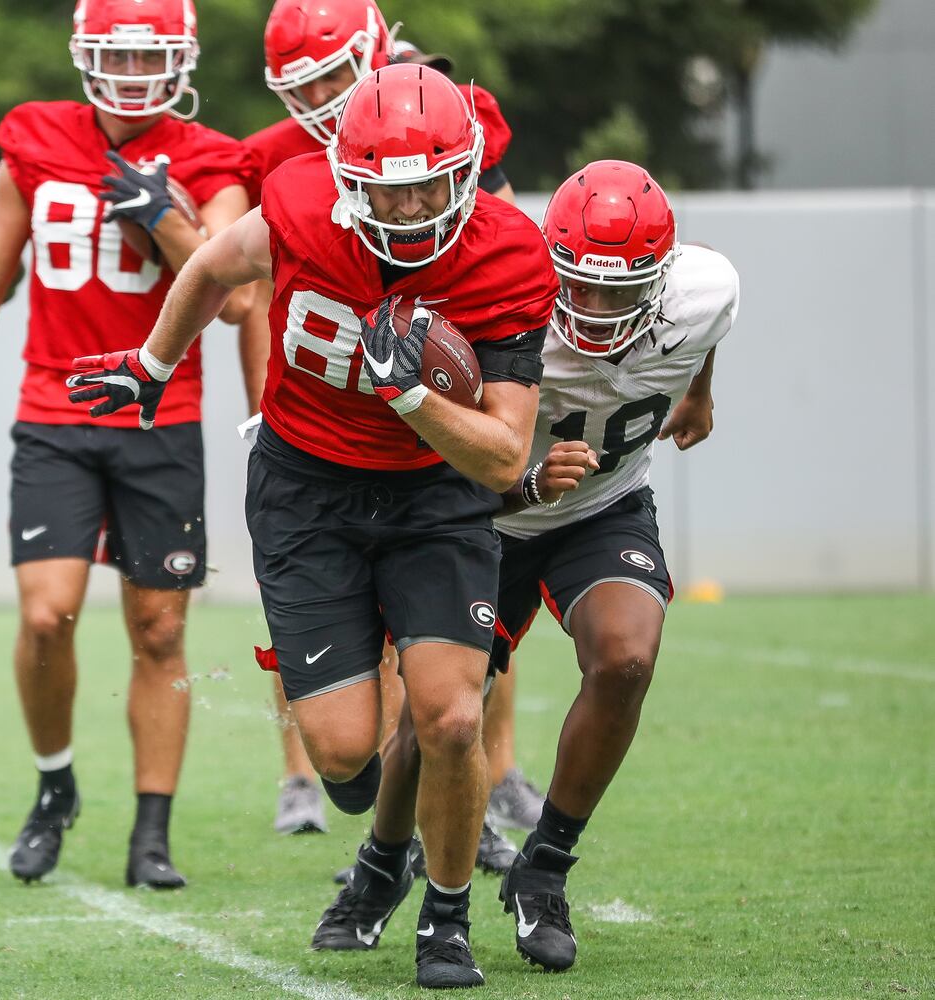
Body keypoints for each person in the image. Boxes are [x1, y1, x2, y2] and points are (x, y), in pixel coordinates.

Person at [69, 64, 556, 988]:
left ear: (467, 173)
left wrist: (412, 398)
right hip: (307, 490)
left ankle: (446, 919)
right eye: (387, 187)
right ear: (345, 177)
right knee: (343, 758)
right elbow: (213, 265)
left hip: (434, 495)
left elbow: (502, 457)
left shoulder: (508, 253)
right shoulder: (302, 204)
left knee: (451, 716)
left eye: (430, 184)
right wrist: (153, 363)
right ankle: (379, 854)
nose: (409, 206)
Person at [311, 159, 739, 977]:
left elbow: (710, 318)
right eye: (582, 287)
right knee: (436, 723)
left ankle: (544, 867)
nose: (597, 308)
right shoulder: (506, 306)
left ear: (660, 277)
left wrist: (698, 392)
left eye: (620, 291)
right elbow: (442, 452)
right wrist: (526, 483)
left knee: (626, 660)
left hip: (602, 506)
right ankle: (382, 863)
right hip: (485, 519)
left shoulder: (704, 291)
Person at [0, 0, 252, 888]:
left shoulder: (213, 157)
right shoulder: (36, 136)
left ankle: (151, 831)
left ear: (181, 61)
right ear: (85, 57)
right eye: (114, 56)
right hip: (57, 409)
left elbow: (237, 299)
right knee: (46, 614)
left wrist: (167, 219)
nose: (130, 74)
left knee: (159, 629)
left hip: (162, 418)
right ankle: (55, 787)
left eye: (148, 57)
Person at [242, 0, 533, 848]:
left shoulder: (454, 122)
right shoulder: (284, 165)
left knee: (449, 676)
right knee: (345, 696)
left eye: (335, 74)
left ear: (375, 48)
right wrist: (256, 403)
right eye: (304, 85)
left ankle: (488, 778)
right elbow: (242, 283)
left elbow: (500, 247)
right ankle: (327, 777)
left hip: (436, 444)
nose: (322, 97)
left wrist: (444, 394)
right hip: (317, 433)